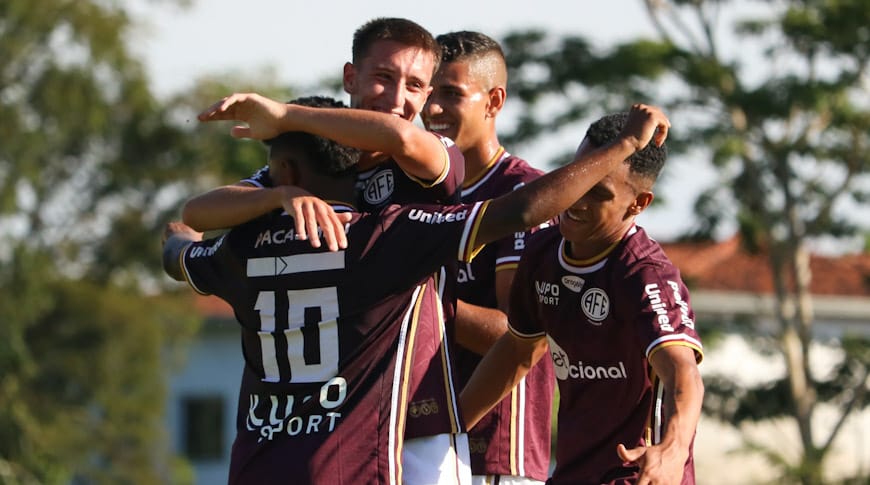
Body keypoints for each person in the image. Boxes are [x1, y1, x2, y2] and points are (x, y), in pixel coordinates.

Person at [164, 93, 670, 484]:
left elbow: (178, 247)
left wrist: (238, 211)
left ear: (287, 172)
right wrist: (623, 145)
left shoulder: (238, 251)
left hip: (255, 470)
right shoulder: (378, 237)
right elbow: (521, 210)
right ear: (363, 160)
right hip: (348, 469)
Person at [459, 112, 704, 485]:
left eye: (599, 193)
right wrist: (448, 428)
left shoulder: (643, 273)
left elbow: (682, 370)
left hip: (633, 475)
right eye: (579, 178)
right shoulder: (543, 252)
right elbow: (518, 352)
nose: (576, 200)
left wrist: (673, 449)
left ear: (638, 204)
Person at [181, 17, 463, 239]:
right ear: (350, 78)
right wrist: (279, 196)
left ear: (426, 97)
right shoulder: (318, 152)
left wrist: (285, 116)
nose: (397, 98)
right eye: (384, 77)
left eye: (414, 86)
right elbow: (196, 214)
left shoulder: (438, 154)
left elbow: (399, 136)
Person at [422, 31, 553, 484]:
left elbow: (516, 335)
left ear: (494, 101)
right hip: (420, 446)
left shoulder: (522, 195)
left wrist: (411, 306)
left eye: (451, 94)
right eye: (427, 91)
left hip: (492, 456)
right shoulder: (417, 192)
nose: (432, 108)